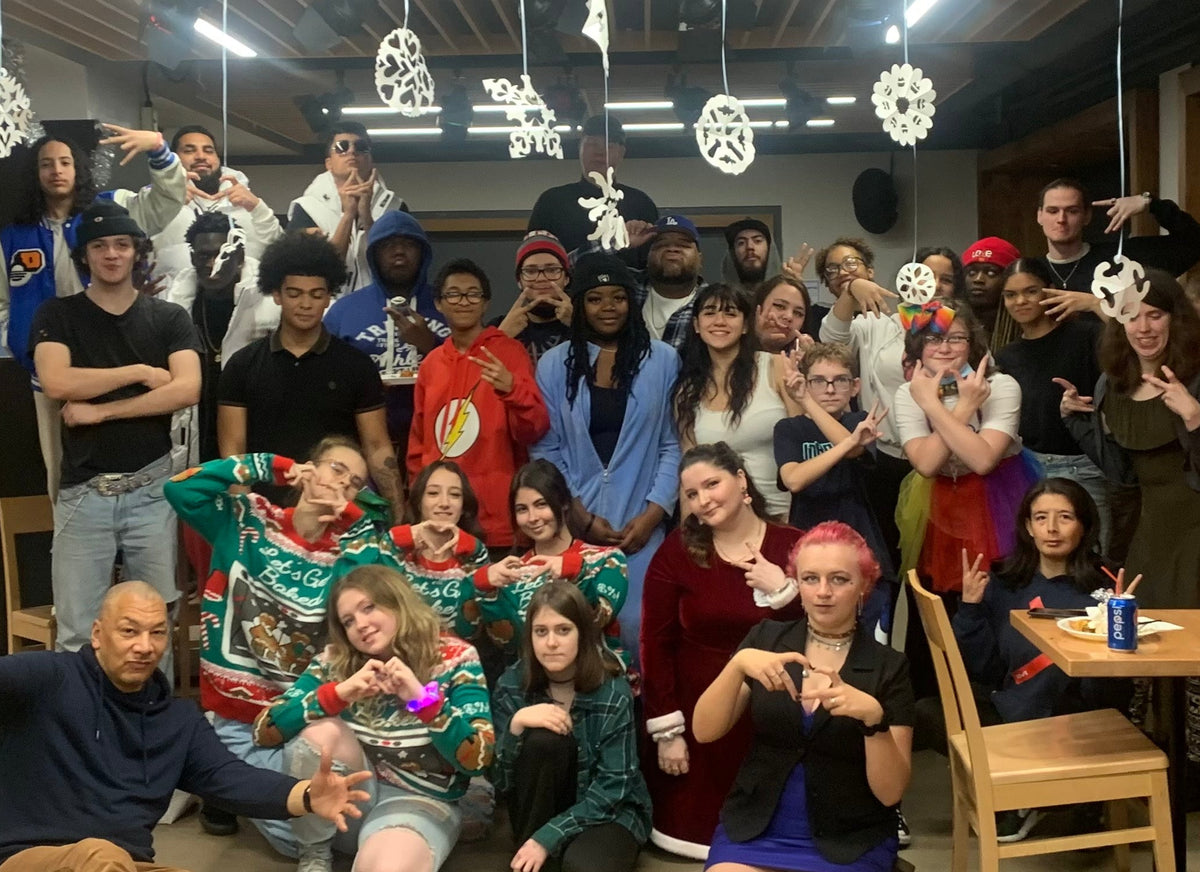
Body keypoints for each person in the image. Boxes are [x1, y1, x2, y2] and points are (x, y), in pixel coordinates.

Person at [0, 581, 370, 872]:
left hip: (128, 864)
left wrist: (308, 795)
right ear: (98, 634)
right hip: (30, 858)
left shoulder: (176, 721)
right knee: (98, 855)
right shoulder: (49, 678)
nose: (145, 647)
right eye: (129, 631)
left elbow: (232, 779)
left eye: (157, 633)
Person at [163, 438, 379, 843]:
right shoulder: (248, 519)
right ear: (308, 470)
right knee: (293, 840)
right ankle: (227, 785)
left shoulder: (349, 548)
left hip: (304, 719)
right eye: (336, 469)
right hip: (237, 719)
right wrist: (272, 466)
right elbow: (179, 489)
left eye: (354, 484)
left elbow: (374, 592)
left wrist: (350, 518)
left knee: (337, 830)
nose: (342, 485)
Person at [29, 199, 200, 673]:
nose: (111, 254)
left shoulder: (168, 318)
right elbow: (58, 382)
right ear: (84, 255)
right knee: (79, 629)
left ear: (136, 252)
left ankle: (155, 736)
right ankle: (82, 735)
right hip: (85, 491)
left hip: (151, 487)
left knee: (154, 623)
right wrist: (143, 372)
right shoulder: (58, 314)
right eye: (100, 246)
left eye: (122, 244)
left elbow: (187, 388)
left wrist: (101, 412)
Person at [693, 521, 915, 872]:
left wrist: (875, 721)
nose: (822, 591)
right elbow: (704, 731)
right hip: (756, 830)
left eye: (839, 579)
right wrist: (736, 666)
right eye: (811, 579)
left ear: (863, 587)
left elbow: (890, 793)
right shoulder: (765, 638)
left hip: (849, 839)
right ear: (797, 583)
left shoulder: (888, 667)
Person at [251, 565, 495, 872]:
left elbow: (478, 759)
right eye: (348, 621)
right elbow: (264, 731)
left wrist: (423, 700)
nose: (361, 625)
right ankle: (313, 853)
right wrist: (337, 695)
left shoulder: (456, 658)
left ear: (397, 603)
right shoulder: (334, 662)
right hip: (345, 802)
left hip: (419, 801)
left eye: (369, 608)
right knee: (322, 731)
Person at [640, 442, 805, 858]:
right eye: (691, 494)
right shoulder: (675, 553)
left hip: (778, 711)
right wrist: (668, 732)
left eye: (712, 484)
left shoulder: (794, 546)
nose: (703, 500)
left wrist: (785, 592)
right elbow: (654, 643)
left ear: (742, 480)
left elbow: (827, 631)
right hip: (700, 717)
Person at [2, 126, 187, 497]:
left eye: (65, 162)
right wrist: (22, 341)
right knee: (58, 468)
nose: (56, 170)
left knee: (128, 458)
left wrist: (159, 152)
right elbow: (4, 303)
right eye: (46, 164)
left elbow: (166, 202)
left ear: (79, 169)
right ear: (34, 173)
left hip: (113, 355)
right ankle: (72, 542)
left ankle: (129, 543)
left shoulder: (108, 210)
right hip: (47, 368)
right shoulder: (14, 236)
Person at [951, 478, 1133, 841]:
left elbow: (1113, 690)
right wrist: (970, 609)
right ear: (1027, 526)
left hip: (1076, 720)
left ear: (1084, 526)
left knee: (1075, 708)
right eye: (1040, 518)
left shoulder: (1107, 584)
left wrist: (1121, 619)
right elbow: (984, 669)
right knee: (932, 711)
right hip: (1012, 708)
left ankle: (1051, 796)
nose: (1051, 529)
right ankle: (1039, 797)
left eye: (1065, 517)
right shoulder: (1003, 581)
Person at [531, 252, 680, 661]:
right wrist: (574, 513)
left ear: (632, 303)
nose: (608, 307)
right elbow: (546, 447)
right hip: (575, 527)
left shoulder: (663, 360)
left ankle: (641, 724)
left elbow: (672, 443)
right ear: (579, 305)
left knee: (641, 635)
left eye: (618, 297)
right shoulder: (553, 365)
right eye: (595, 298)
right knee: (573, 638)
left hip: (642, 528)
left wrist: (653, 516)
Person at [218, 232, 404, 516]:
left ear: (329, 297)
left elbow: (377, 447)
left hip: (338, 511)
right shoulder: (242, 366)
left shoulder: (357, 366)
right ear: (277, 295)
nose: (306, 304)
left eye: (316, 294)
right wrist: (242, 515)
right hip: (265, 514)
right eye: (295, 293)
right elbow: (233, 450)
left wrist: (396, 513)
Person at [1058, 268, 1200, 610]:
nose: (1144, 328)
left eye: (1155, 315)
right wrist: (1076, 421)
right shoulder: (1112, 384)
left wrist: (1196, 419)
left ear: (1176, 320)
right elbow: (1121, 473)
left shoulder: (1196, 378)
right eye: (1132, 316)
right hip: (1149, 534)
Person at [491, 582, 652, 872]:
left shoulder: (612, 690)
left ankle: (541, 848)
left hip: (607, 812)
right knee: (542, 739)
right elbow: (501, 784)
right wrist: (516, 727)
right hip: (541, 809)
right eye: (541, 631)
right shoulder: (512, 685)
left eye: (563, 630)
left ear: (582, 634)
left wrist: (548, 837)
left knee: (584, 867)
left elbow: (616, 786)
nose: (551, 642)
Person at [893, 302, 1038, 592]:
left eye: (956, 338)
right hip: (940, 497)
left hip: (999, 496)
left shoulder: (1000, 386)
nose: (944, 348)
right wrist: (959, 408)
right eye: (933, 339)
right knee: (940, 594)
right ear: (918, 346)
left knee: (1000, 588)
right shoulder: (909, 393)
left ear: (971, 344)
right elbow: (926, 464)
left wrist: (935, 406)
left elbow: (983, 460)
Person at [406, 258, 550, 550]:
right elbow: (418, 445)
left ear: (485, 303)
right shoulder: (432, 363)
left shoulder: (509, 352)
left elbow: (534, 430)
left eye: (473, 294)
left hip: (497, 521)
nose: (464, 302)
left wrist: (512, 389)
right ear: (439, 303)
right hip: (439, 521)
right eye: (453, 294)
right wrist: (418, 503)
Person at [992, 258, 1112, 553]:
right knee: (1034, 564)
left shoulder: (1086, 336)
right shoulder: (1006, 356)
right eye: (1011, 295)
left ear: (1050, 292)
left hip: (1083, 467)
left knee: (1092, 562)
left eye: (1031, 291)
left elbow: (1132, 342)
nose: (1020, 301)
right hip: (1026, 468)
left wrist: (1097, 305)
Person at [774, 343, 894, 627]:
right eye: (818, 381)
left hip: (862, 552)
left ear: (854, 387)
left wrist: (808, 401)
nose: (829, 389)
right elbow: (794, 479)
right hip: (808, 551)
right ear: (806, 383)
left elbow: (853, 451)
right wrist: (806, 404)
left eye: (839, 380)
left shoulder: (859, 422)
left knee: (865, 641)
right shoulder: (789, 429)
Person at [474, 459, 628, 662]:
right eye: (522, 509)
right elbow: (509, 642)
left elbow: (596, 621)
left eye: (541, 504)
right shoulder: (514, 572)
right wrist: (487, 593)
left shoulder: (608, 559)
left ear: (564, 503)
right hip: (534, 686)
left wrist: (575, 571)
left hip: (597, 683)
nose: (532, 518)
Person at [323, 209, 447, 453]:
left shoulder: (448, 305)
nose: (398, 251)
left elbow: (472, 372)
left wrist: (431, 345)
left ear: (423, 253)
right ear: (373, 255)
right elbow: (323, 379)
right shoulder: (344, 310)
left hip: (439, 437)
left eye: (408, 244)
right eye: (388, 245)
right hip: (361, 439)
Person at [816, 236, 907, 567]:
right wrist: (853, 288)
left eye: (851, 263)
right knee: (880, 556)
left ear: (871, 269)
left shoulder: (900, 321)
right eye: (833, 269)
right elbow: (833, 339)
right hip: (875, 454)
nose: (843, 271)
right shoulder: (845, 324)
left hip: (922, 450)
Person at [671, 283, 798, 519]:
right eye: (710, 312)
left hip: (782, 515)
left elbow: (805, 442)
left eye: (730, 313)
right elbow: (689, 472)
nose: (720, 321)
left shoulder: (776, 367)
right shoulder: (686, 392)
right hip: (718, 522)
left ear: (745, 325)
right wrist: (688, 531)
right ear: (697, 325)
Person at [163, 211, 279, 465]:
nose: (212, 263)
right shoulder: (175, 303)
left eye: (223, 254)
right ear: (193, 257)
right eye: (204, 255)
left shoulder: (270, 302)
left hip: (254, 423)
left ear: (239, 257)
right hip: (197, 423)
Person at [1034, 178, 1200, 318]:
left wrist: (1151, 204)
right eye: (1052, 211)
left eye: (1072, 211)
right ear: (1040, 216)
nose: (1061, 219)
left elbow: (1194, 243)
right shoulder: (1030, 271)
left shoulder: (1123, 258)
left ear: (1087, 216)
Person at [151, 124, 283, 280]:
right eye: (189, 150)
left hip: (243, 300)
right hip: (174, 300)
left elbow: (280, 252)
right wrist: (165, 202)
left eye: (208, 151)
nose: (201, 156)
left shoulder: (247, 203)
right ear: (174, 159)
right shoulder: (157, 202)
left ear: (217, 158)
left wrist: (258, 208)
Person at [379, 460, 491, 639]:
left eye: (455, 495)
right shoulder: (395, 547)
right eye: (433, 493)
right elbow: (380, 604)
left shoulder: (475, 553)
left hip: (457, 657)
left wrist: (474, 552)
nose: (444, 503)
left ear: (463, 507)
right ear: (418, 502)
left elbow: (470, 629)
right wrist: (397, 538)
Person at [527, 115, 657, 268]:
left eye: (610, 145)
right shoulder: (552, 202)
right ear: (579, 148)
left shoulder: (640, 203)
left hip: (628, 291)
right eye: (592, 143)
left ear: (622, 153)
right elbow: (534, 261)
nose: (600, 152)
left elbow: (654, 264)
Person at [288, 122, 396, 290]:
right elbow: (321, 268)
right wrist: (348, 214)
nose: (352, 151)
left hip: (382, 302)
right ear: (329, 163)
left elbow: (395, 264)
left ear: (370, 159)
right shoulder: (307, 207)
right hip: (327, 306)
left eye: (361, 147)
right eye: (341, 147)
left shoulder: (394, 207)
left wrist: (366, 217)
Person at [722, 219, 819, 340]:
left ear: (769, 248)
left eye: (757, 241)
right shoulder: (722, 299)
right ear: (733, 253)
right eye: (741, 243)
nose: (750, 247)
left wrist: (792, 289)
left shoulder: (786, 288)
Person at [492, 230, 573, 364]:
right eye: (531, 271)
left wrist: (579, 326)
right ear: (519, 281)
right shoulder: (497, 326)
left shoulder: (592, 324)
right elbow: (471, 378)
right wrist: (500, 337)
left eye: (552, 270)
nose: (541, 278)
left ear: (566, 279)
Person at [960, 236, 1021, 351]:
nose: (978, 279)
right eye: (972, 272)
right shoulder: (951, 322)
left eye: (991, 273)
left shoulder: (1024, 327)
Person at [753, 274, 815, 353]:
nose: (789, 316)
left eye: (798, 313)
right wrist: (761, 344)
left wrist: (809, 359)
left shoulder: (804, 359)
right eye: (780, 306)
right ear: (759, 307)